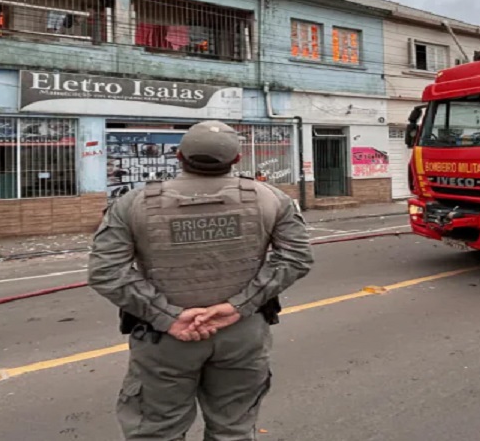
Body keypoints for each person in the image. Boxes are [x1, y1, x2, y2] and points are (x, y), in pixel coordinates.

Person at [88, 120, 314, 440]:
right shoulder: (272, 199)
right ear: (236, 160)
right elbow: (296, 257)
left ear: (179, 156)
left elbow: (106, 271)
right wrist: (238, 307)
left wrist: (168, 317)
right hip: (242, 335)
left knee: (157, 431)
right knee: (233, 429)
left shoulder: (132, 203)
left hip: (163, 339)